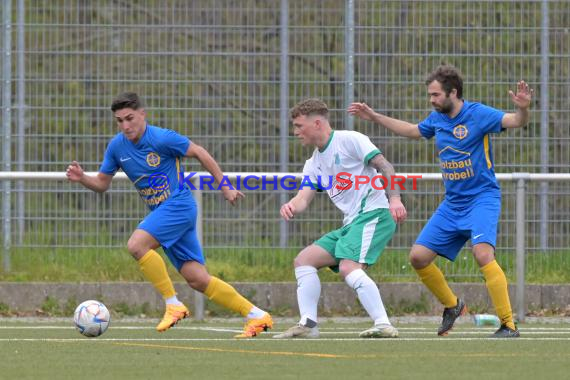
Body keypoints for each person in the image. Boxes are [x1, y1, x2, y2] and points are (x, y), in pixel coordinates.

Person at [66, 92, 272, 338]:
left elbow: (200, 152)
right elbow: (102, 183)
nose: (125, 125)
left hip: (179, 205)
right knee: (197, 279)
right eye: (119, 121)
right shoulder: (116, 146)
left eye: (130, 118)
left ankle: (172, 304)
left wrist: (225, 186)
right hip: (166, 213)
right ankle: (256, 315)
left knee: (136, 245)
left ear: (143, 114)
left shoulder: (162, 138)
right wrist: (82, 179)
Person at [348, 65, 533, 338]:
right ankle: (452, 305)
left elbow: (517, 121)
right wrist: (374, 117)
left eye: (435, 95)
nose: (431, 100)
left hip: (482, 198)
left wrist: (524, 108)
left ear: (453, 93)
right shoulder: (436, 120)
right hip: (453, 203)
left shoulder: (477, 114)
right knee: (418, 257)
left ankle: (508, 324)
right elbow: (412, 130)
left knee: (483, 254)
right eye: (430, 95)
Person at [273, 98, 407, 339]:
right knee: (304, 260)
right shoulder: (313, 163)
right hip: (352, 223)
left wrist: (395, 199)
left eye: (298, 126)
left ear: (316, 123)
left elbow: (386, 167)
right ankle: (308, 325)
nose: (295, 132)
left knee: (348, 267)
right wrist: (292, 205)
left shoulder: (350, 140)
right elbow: (304, 198)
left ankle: (383, 324)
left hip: (374, 213)